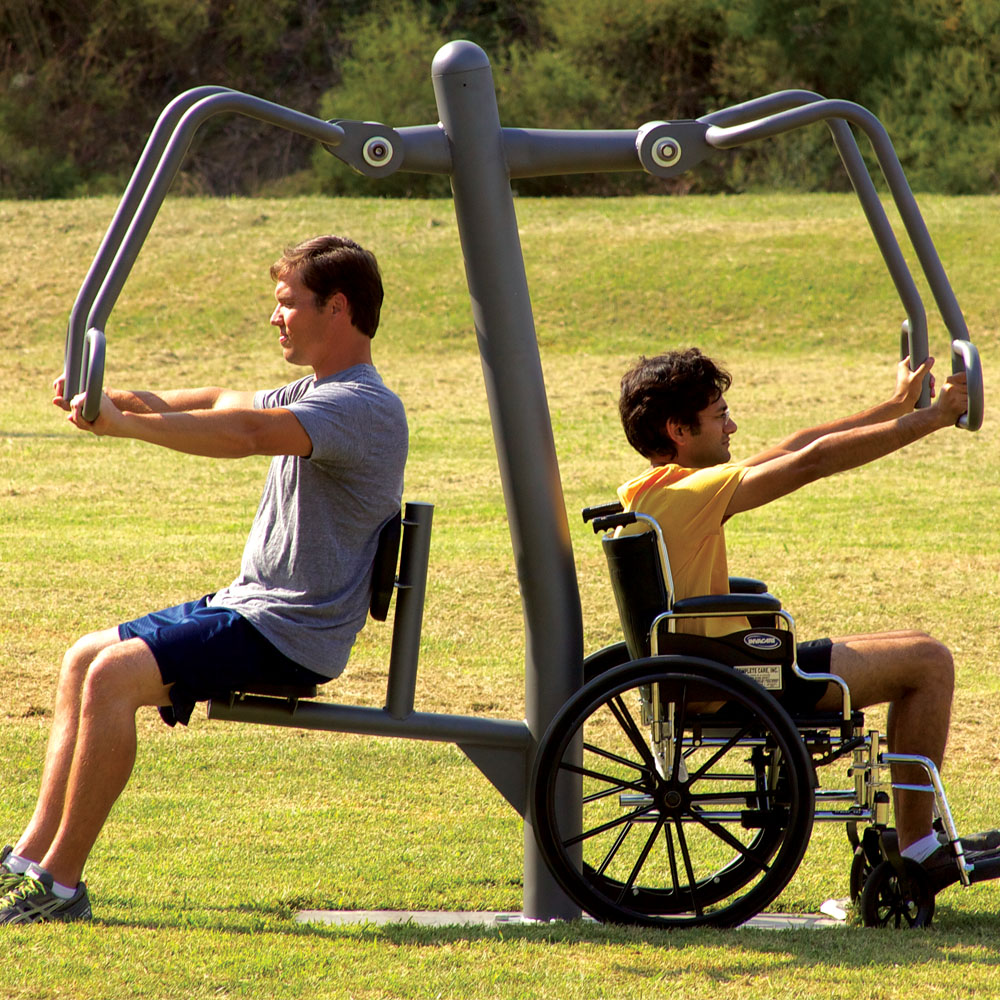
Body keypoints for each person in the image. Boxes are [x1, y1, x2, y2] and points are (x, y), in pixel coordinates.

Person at [0, 235, 408, 924]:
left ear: (335, 308)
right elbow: (222, 398)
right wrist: (112, 395)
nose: (275, 318)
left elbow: (247, 431)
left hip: (290, 633)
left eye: (287, 304)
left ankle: (61, 886)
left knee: (113, 677)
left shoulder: (361, 407)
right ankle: (26, 862)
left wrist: (126, 425)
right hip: (251, 608)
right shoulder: (319, 390)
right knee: (82, 658)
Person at [616, 346, 993, 887]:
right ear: (679, 429)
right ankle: (919, 849)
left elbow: (794, 446)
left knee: (917, 641)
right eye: (720, 416)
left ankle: (916, 840)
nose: (734, 426)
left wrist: (894, 405)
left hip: (715, 665)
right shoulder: (691, 493)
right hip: (737, 678)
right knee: (930, 661)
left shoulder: (655, 490)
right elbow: (811, 462)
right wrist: (930, 419)